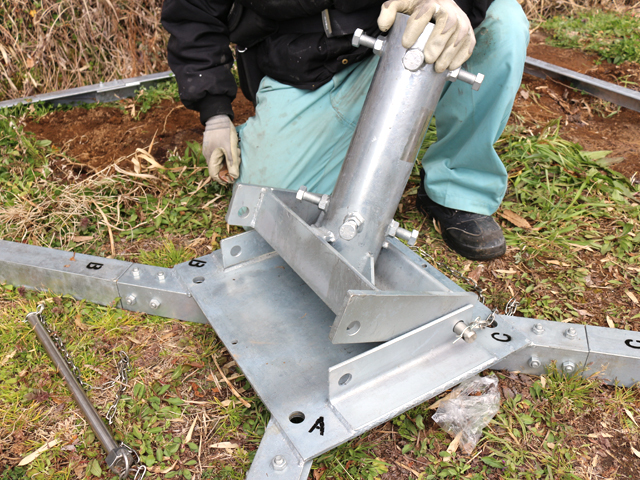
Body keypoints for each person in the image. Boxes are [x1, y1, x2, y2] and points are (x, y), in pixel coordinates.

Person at [161, 0, 530, 260]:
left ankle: (458, 188)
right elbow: (193, 10)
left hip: (408, 27)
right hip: (307, 62)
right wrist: (214, 112)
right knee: (270, 210)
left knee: (503, 22)